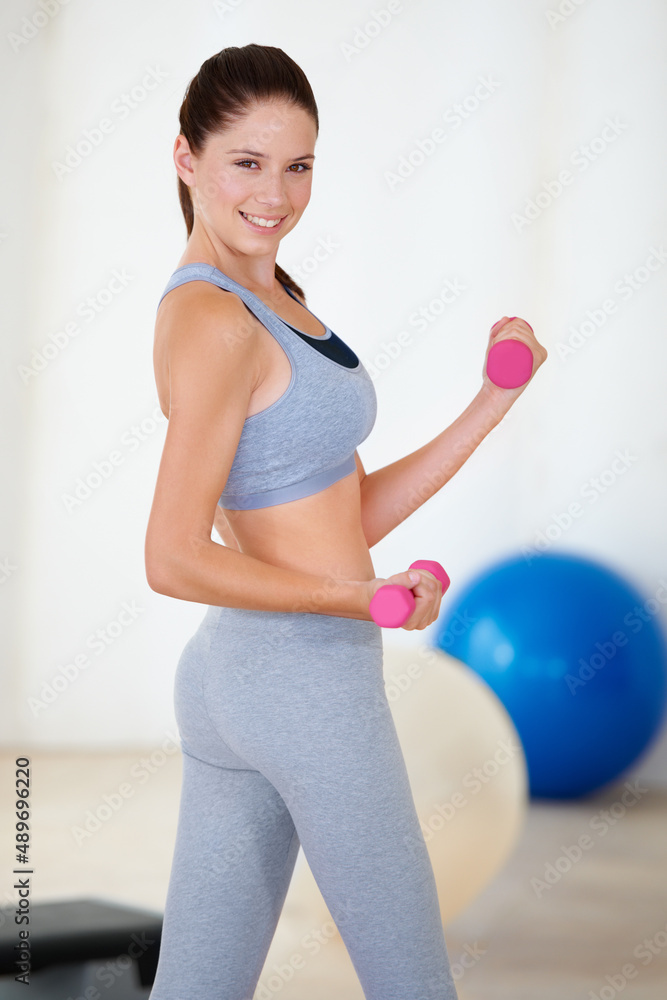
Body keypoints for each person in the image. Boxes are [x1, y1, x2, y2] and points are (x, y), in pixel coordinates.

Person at [144, 43, 546, 1000]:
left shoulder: (276, 299)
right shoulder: (213, 322)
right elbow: (169, 555)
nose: (276, 193)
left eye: (299, 164)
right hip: (302, 687)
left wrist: (492, 400)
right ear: (186, 158)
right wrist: (357, 598)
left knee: (198, 986)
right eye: (246, 162)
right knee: (413, 982)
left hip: (242, 675)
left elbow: (343, 508)